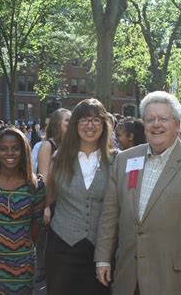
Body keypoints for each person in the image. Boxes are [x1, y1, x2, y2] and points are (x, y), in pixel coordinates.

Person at [95, 91, 181, 295]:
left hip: (174, 281)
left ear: (177, 124)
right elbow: (110, 214)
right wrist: (103, 258)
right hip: (128, 277)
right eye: (150, 119)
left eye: (163, 119)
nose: (156, 124)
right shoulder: (124, 160)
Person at [45, 98, 113, 295]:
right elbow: (47, 196)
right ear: (75, 125)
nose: (89, 125)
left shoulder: (116, 160)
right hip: (62, 248)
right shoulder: (59, 158)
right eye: (83, 120)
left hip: (100, 251)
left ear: (104, 124)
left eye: (95, 120)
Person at [0, 128, 45, 294]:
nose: (9, 153)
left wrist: (20, 249)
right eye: (3, 148)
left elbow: (36, 228)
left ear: (24, 151)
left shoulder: (35, 185)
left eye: (15, 148)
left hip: (23, 263)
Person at [35, 108, 71, 282]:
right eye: (67, 121)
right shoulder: (48, 145)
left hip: (67, 201)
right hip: (52, 200)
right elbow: (43, 178)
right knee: (47, 240)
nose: (70, 124)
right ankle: (43, 271)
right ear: (57, 123)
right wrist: (46, 206)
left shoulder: (72, 145)